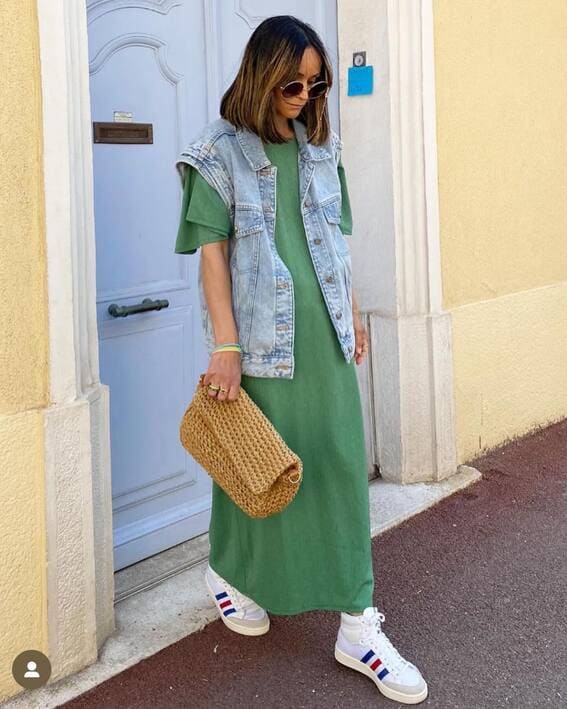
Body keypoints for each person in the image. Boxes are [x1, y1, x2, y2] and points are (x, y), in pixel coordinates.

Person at [174, 15, 427, 705]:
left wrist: (348, 312)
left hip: (324, 339)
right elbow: (213, 259)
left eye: (317, 85)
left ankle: (357, 624)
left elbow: (332, 242)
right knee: (256, 466)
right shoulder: (216, 152)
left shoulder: (319, 147)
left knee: (340, 467)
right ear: (262, 75)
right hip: (257, 343)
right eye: (293, 83)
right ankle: (229, 569)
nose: (305, 97)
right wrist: (224, 346)